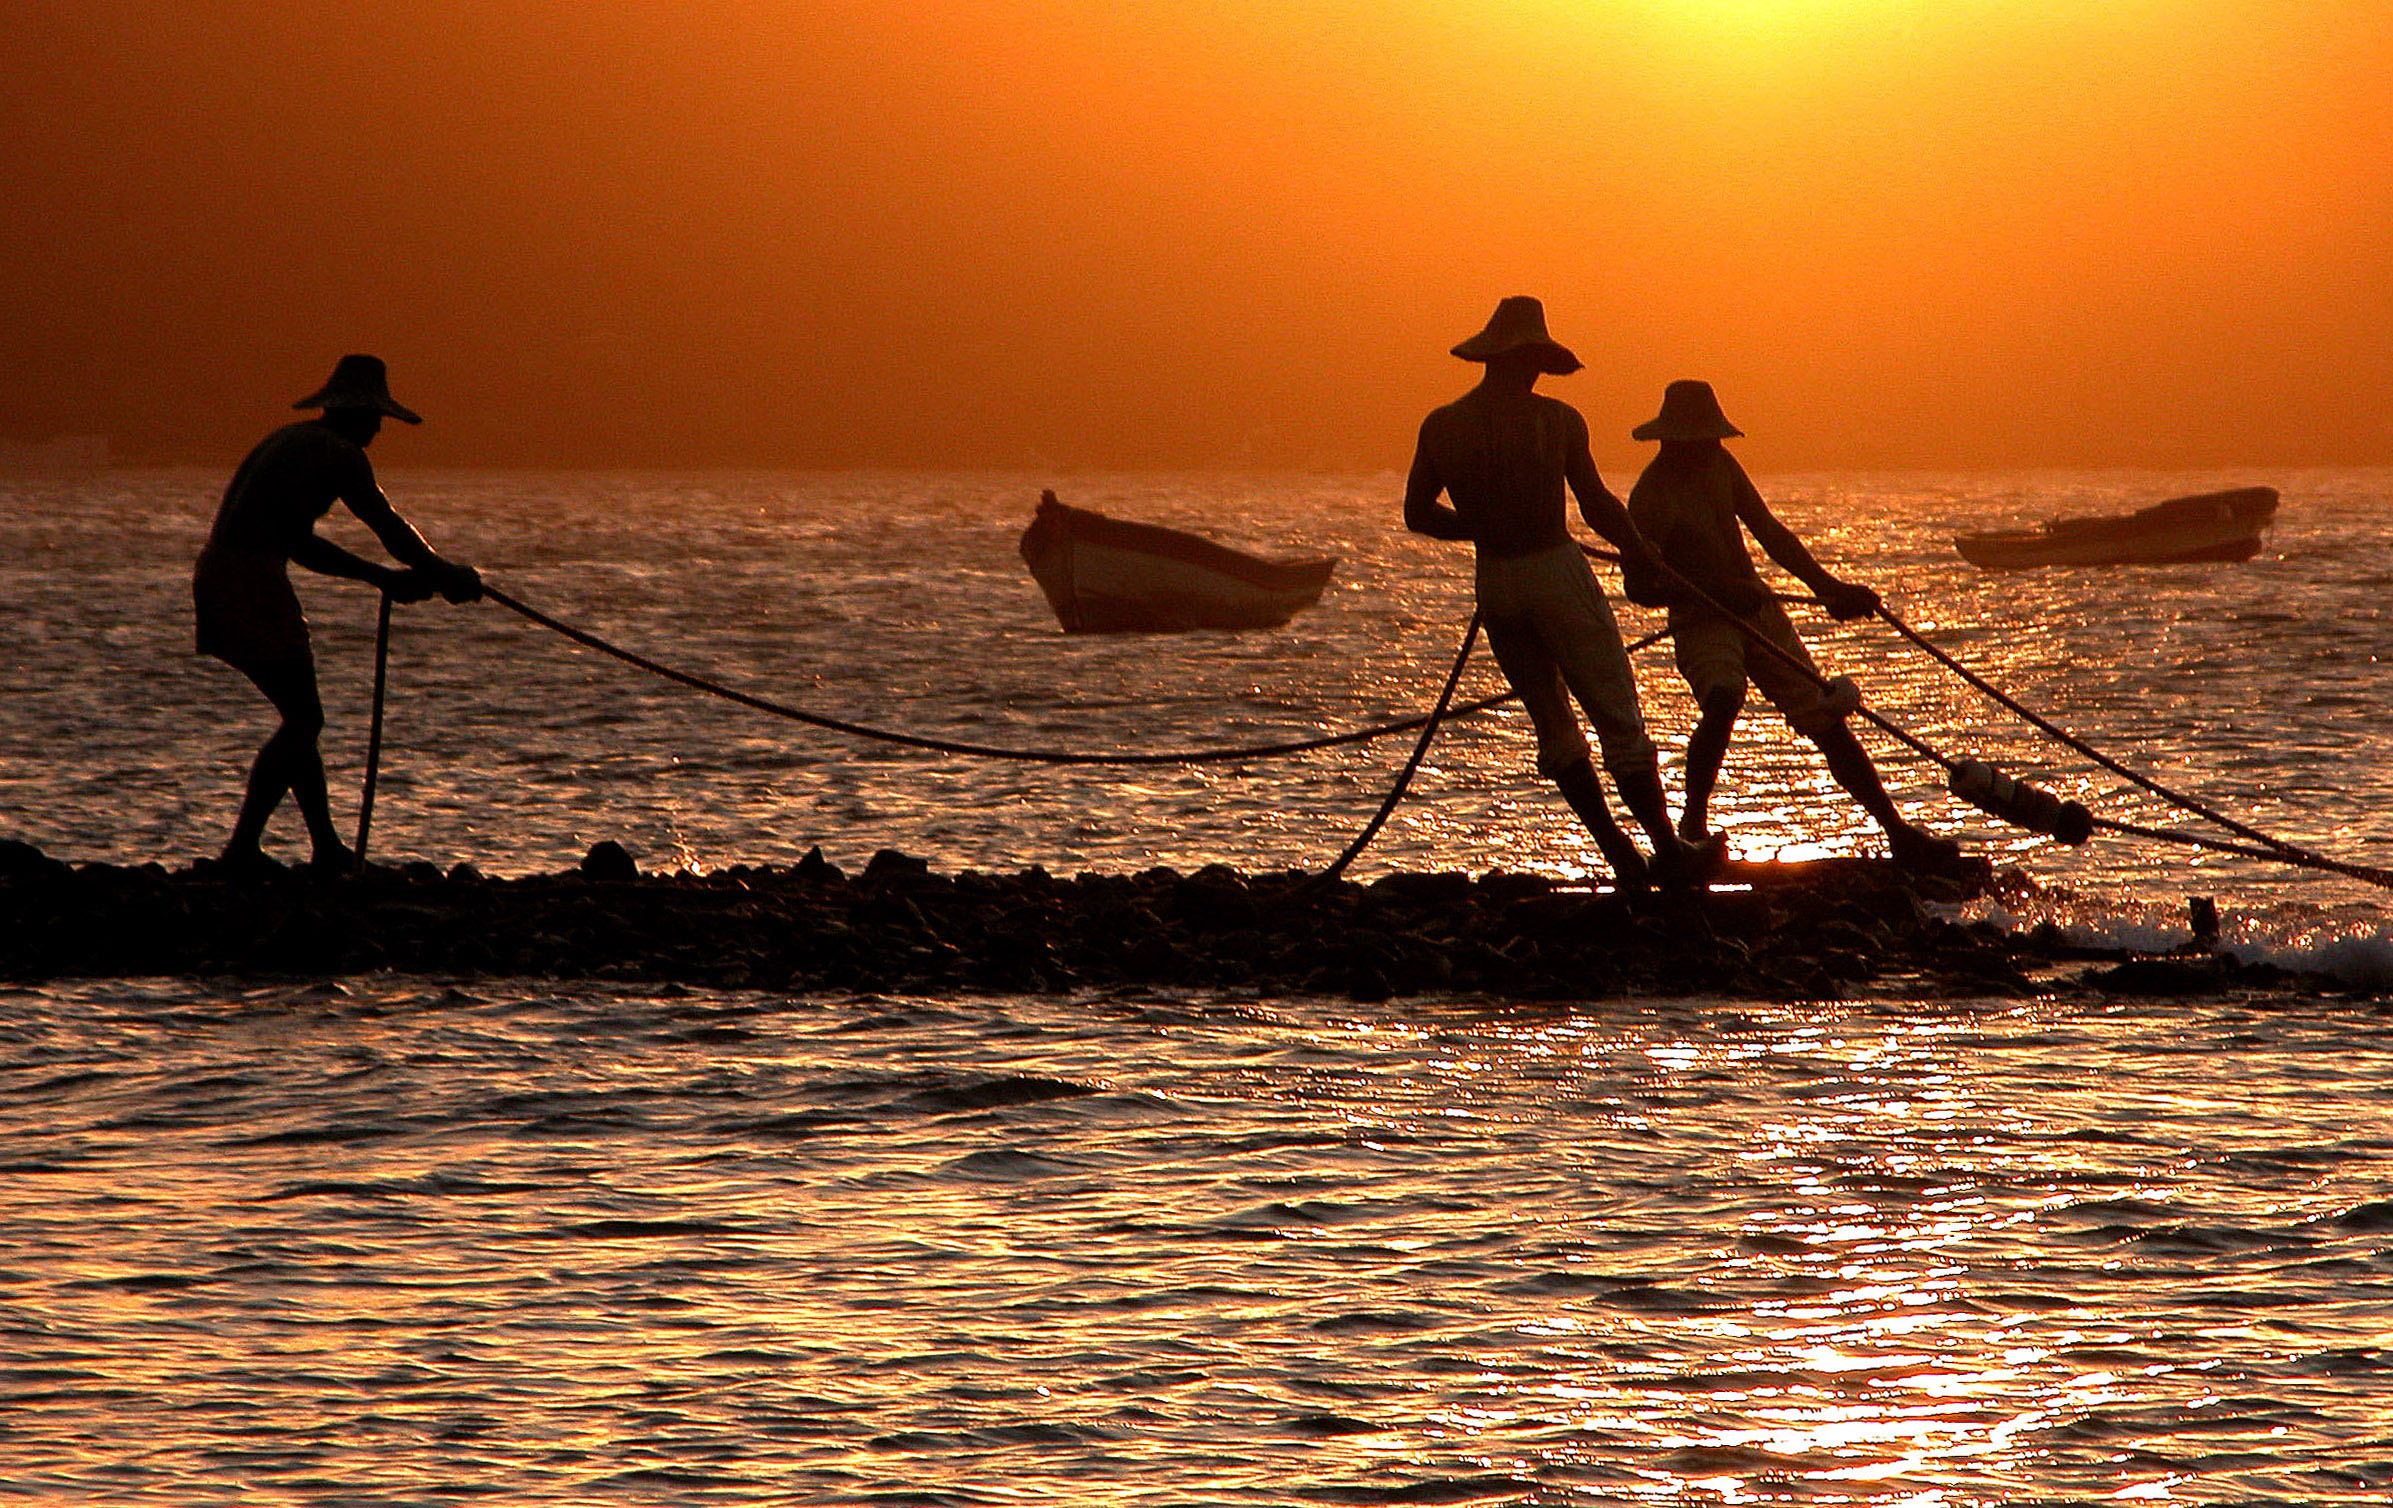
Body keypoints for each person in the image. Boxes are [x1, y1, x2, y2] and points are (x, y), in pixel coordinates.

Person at [1404, 297, 1714, 890]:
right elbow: (1596, 504)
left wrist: (1481, 527)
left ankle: (1621, 854)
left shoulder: (1443, 425)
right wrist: (1642, 552)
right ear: (1532, 359)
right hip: (1554, 569)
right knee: (1616, 715)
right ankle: (1667, 852)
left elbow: (1419, 514)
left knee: (1554, 725)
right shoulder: (1558, 421)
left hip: (1497, 581)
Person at [1623, 379, 1961, 869]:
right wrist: (1716, 592)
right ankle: (1691, 829)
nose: (1712, 447)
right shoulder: (1651, 496)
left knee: (1826, 717)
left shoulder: (1721, 466)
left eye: (1715, 438)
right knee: (1722, 698)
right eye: (1703, 440)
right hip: (1701, 619)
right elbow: (1640, 587)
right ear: (1673, 440)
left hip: (1758, 610)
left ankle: (1898, 833)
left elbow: (1771, 534)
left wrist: (1829, 589)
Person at [192, 355, 481, 873]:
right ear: (354, 415)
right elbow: (381, 527)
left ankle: (324, 849)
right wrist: (434, 574)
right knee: (305, 720)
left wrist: (411, 576)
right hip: (249, 579)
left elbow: (304, 543)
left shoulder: (291, 440)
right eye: (373, 419)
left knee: (301, 720)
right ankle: (241, 852)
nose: (376, 429)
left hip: (226, 572)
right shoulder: (338, 453)